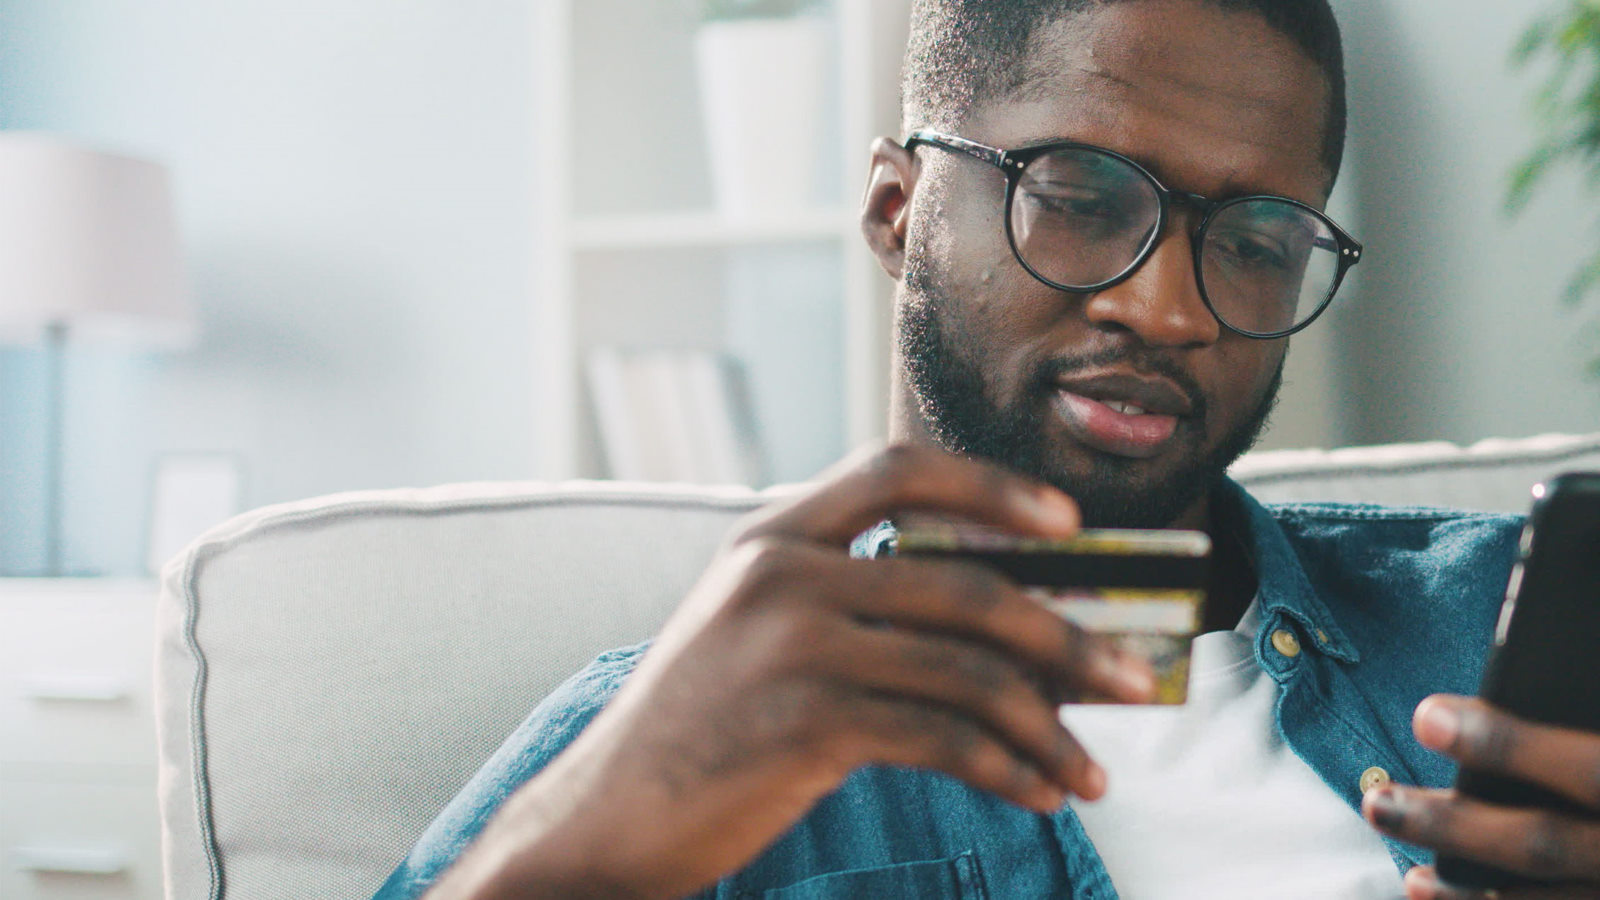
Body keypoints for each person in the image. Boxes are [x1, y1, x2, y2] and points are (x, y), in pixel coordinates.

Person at [376, 1, 1600, 897]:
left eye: (1256, 240)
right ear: (895, 209)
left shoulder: (1519, 629)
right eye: (1078, 197)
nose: (1168, 311)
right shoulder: (669, 733)